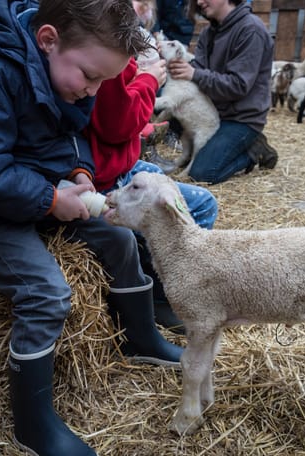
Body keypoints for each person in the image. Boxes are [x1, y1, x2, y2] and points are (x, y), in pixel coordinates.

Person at [0, 0, 183, 454]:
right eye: (90, 77)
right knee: (47, 293)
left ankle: (140, 338)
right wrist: (50, 199)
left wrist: (79, 173)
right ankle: (33, 422)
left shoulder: (62, 73)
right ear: (47, 40)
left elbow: (69, 136)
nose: (92, 90)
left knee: (120, 238)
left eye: (102, 80)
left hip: (39, 193)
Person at [85, 46, 219, 332]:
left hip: (124, 162)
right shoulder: (105, 55)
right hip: (107, 173)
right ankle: (161, 297)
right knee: (179, 204)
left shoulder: (111, 51)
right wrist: (147, 81)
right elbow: (116, 124)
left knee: (200, 199)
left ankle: (176, 291)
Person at [166, 0, 277, 184]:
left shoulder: (251, 30)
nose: (199, 2)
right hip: (213, 110)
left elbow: (239, 85)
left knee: (202, 174)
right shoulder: (208, 32)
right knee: (169, 115)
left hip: (240, 117)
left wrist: (194, 73)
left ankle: (253, 151)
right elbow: (199, 73)